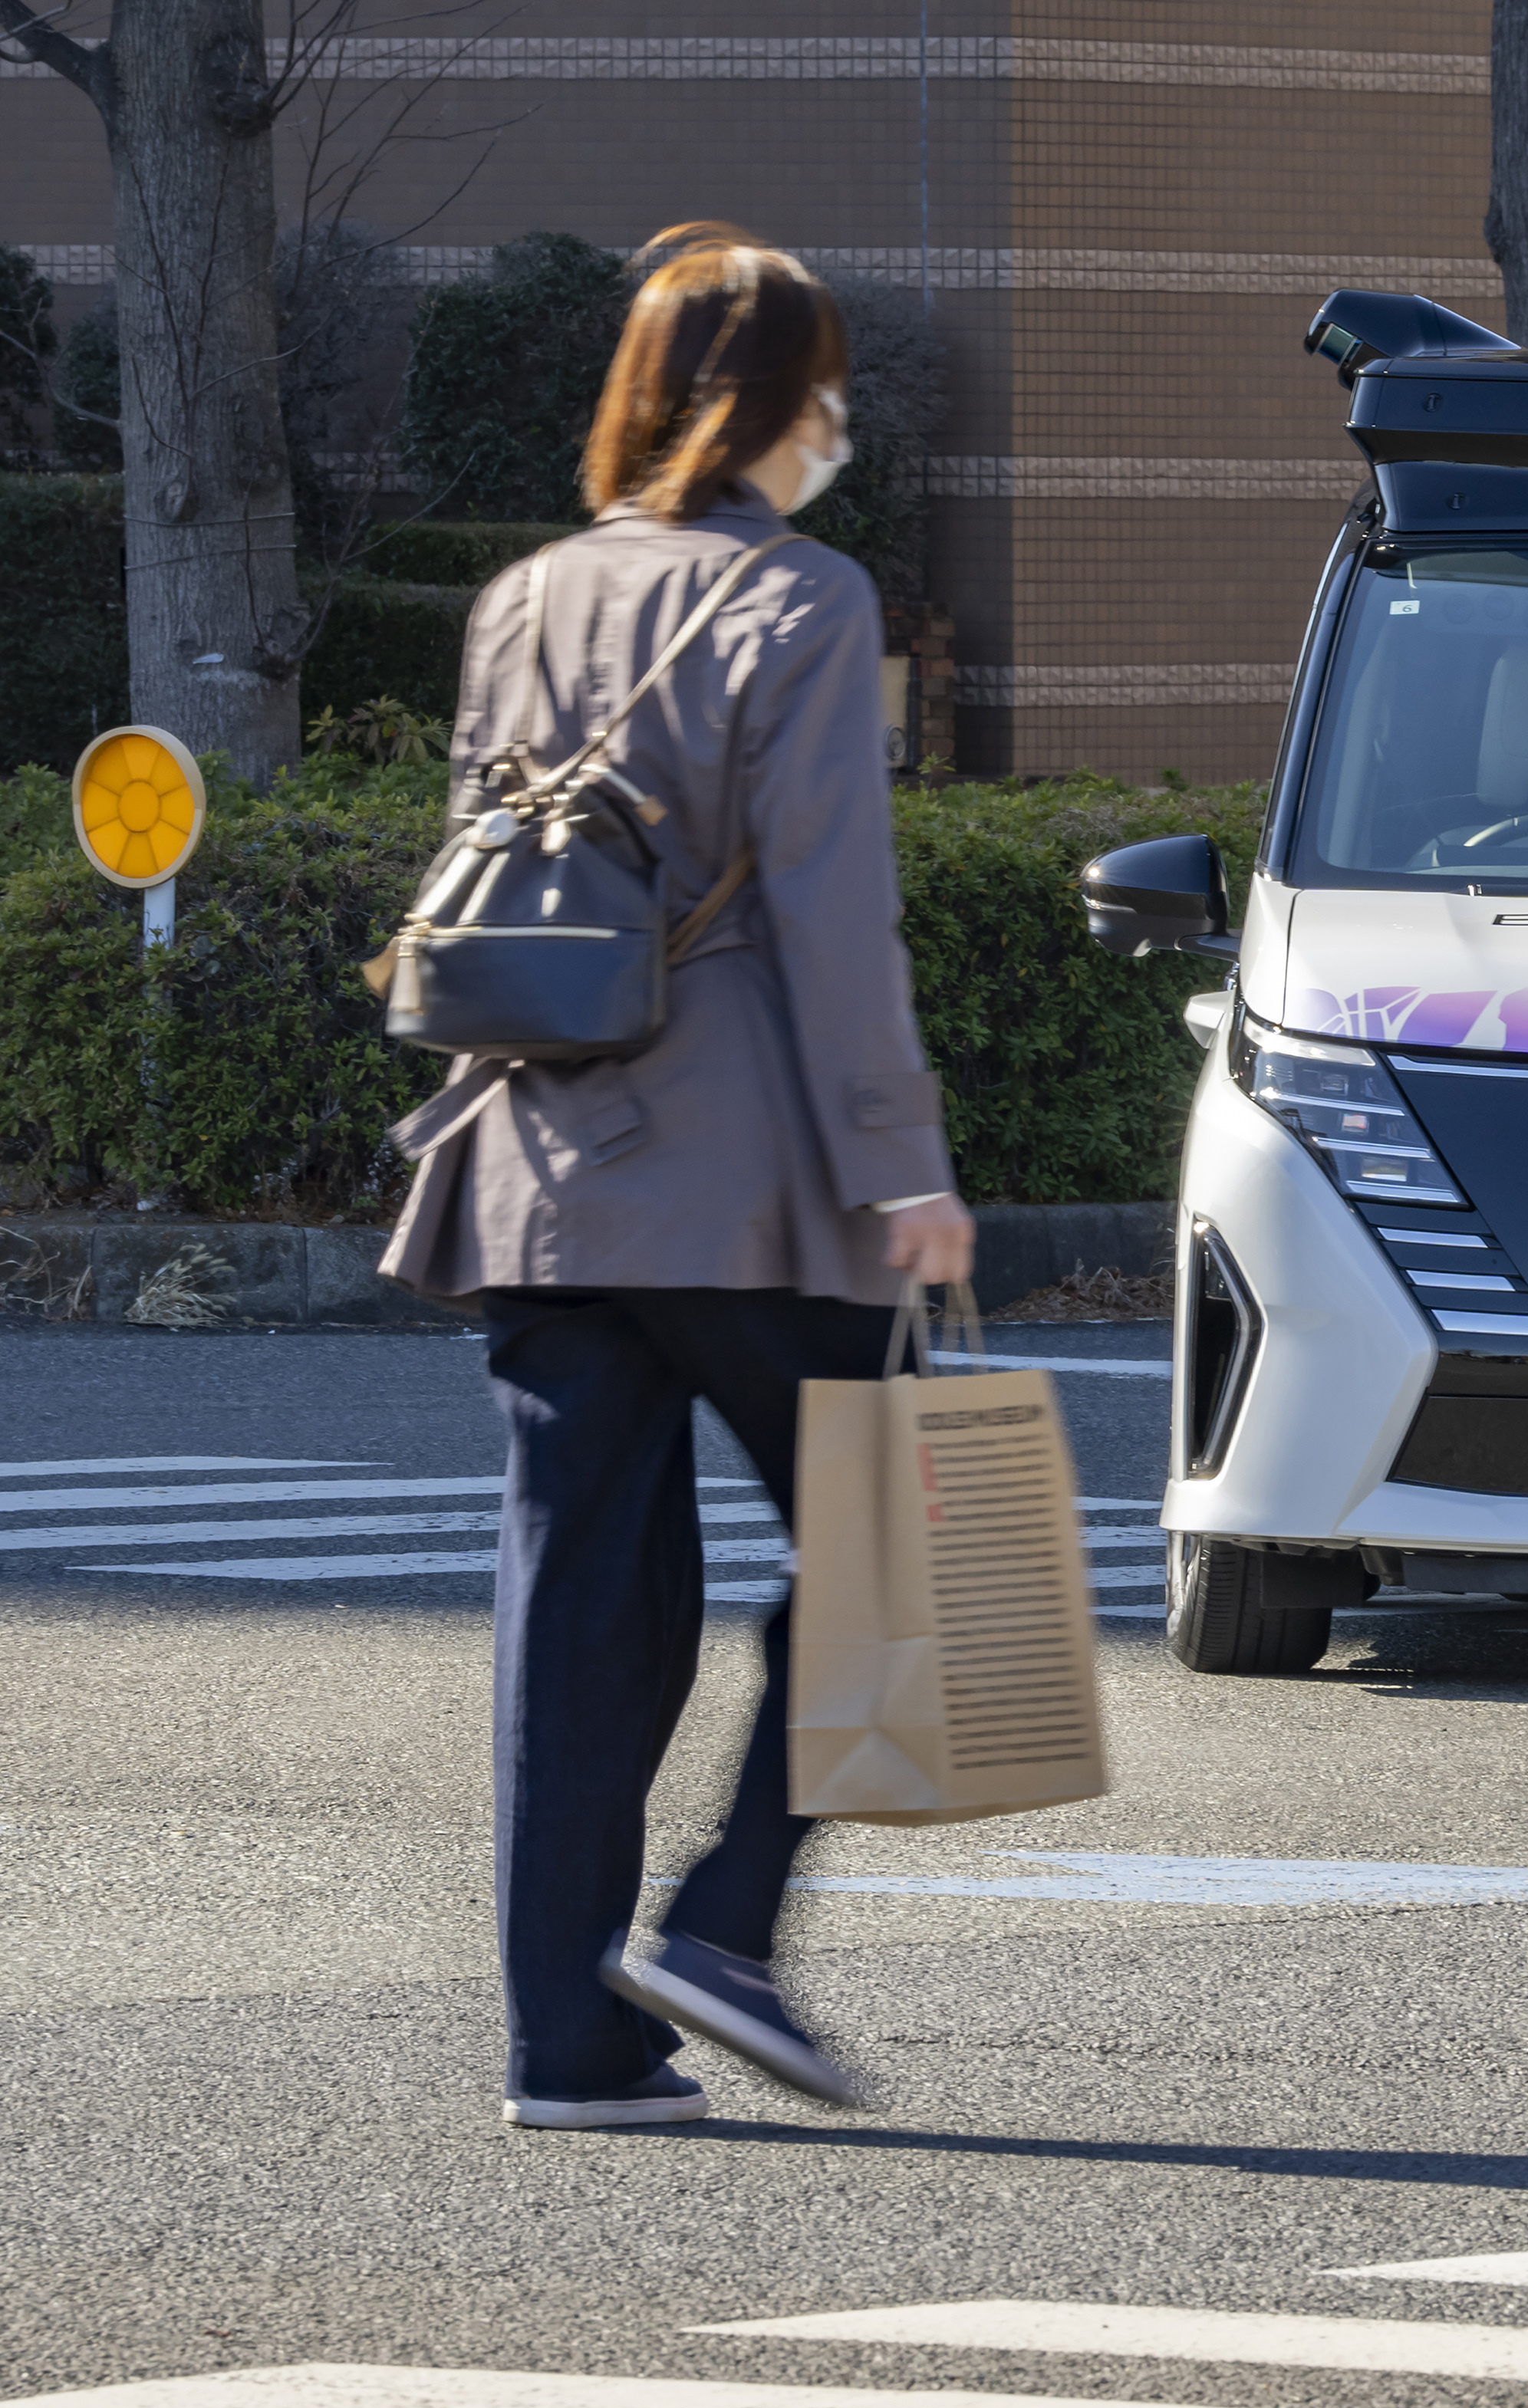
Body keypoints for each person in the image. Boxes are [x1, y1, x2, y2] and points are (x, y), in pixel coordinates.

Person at [378, 222, 976, 2128]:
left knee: (577, 1605)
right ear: (779, 404)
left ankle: (568, 2041)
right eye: (828, 390)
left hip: (543, 1167)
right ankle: (724, 1919)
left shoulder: (524, 597)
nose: (839, 423)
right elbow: (828, 914)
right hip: (743, 1182)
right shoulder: (800, 604)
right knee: (909, 1542)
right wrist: (908, 1169)